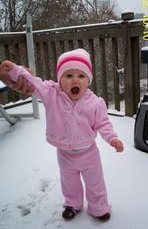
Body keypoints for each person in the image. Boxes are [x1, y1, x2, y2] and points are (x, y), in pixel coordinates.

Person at [0, 48, 124, 222]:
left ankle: (99, 207)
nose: (75, 79)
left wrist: (112, 138)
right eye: (68, 75)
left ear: (88, 80)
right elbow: (34, 82)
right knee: (69, 183)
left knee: (95, 183)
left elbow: (103, 123)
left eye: (81, 76)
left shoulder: (95, 103)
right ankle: (73, 205)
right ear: (60, 80)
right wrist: (15, 70)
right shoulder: (51, 94)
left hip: (89, 153)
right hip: (65, 154)